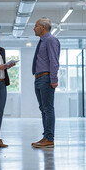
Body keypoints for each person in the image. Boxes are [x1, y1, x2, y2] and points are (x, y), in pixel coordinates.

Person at [31, 17, 61, 148]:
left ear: (43, 27)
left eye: (36, 25)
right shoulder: (43, 41)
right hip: (39, 78)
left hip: (46, 78)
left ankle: (49, 138)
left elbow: (54, 61)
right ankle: (46, 137)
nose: (34, 28)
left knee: (48, 109)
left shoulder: (51, 40)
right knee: (43, 109)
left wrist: (53, 79)